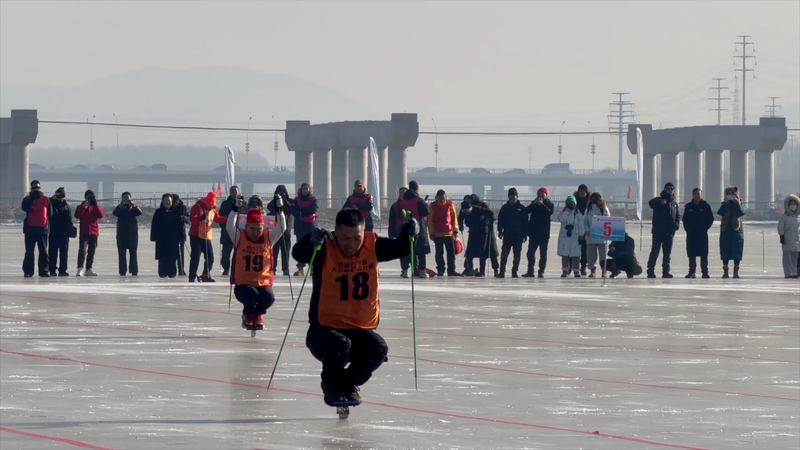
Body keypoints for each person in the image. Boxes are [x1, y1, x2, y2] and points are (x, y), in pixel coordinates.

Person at [293, 209, 416, 406]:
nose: (351, 244)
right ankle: (331, 385)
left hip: (358, 329)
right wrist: (311, 239)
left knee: (378, 349)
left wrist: (410, 232)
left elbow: (401, 247)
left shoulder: (373, 246)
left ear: (364, 233)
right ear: (335, 233)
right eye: (345, 238)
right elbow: (298, 253)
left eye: (356, 238)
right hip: (323, 330)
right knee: (339, 343)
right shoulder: (325, 246)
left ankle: (346, 385)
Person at [226, 194, 287, 328]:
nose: (255, 232)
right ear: (246, 227)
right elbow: (229, 226)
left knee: (268, 298)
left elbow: (282, 228)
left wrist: (280, 211)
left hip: (263, 282)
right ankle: (247, 313)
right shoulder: (239, 237)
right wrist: (234, 209)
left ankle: (257, 314)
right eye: (252, 229)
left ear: (263, 228)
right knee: (251, 295)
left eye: (259, 228)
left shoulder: (269, 237)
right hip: (243, 285)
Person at [188, 192, 227, 282]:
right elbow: (192, 218)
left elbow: (217, 219)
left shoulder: (213, 209)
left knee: (210, 257)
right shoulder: (197, 207)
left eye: (212, 204)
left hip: (206, 235)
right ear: (205, 202)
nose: (210, 206)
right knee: (195, 256)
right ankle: (192, 276)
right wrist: (200, 218)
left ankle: (206, 274)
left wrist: (229, 218)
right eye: (209, 204)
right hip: (196, 235)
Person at [396, 181, 431, 278]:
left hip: (406, 226)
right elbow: (425, 212)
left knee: (406, 249)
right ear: (417, 188)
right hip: (418, 225)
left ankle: (404, 271)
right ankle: (422, 272)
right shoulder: (419, 200)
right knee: (420, 250)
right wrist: (426, 203)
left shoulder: (402, 201)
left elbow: (399, 213)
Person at [646, 182, 680, 279]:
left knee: (667, 254)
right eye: (668, 188)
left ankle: (666, 271)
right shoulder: (659, 200)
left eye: (672, 189)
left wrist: (676, 225)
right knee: (655, 252)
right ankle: (650, 271)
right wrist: (660, 202)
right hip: (658, 232)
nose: (670, 190)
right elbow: (650, 203)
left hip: (669, 233)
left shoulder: (674, 204)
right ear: (665, 189)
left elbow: (677, 216)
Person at [21, 180, 52, 277]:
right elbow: (25, 208)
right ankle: (28, 271)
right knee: (29, 252)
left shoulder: (46, 199)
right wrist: (33, 198)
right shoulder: (27, 199)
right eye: (34, 188)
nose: (36, 190)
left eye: (38, 188)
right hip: (30, 229)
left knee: (43, 251)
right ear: (31, 189)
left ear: (40, 188)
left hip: (42, 229)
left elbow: (50, 213)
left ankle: (44, 271)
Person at [682, 188, 715, 278]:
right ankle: (692, 272)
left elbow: (710, 219)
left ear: (701, 195)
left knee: (704, 254)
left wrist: (705, 228)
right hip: (691, 234)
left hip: (702, 233)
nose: (696, 195)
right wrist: (688, 230)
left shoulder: (706, 206)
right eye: (695, 194)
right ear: (692, 195)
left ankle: (705, 272)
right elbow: (685, 220)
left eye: (698, 194)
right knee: (691, 254)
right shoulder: (689, 207)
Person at [428, 189, 460, 277]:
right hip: (438, 234)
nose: (442, 199)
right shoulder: (433, 206)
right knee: (439, 253)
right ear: (437, 197)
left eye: (443, 198)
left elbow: (454, 219)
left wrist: (456, 231)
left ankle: (451, 270)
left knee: (451, 253)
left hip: (449, 233)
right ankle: (441, 270)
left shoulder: (450, 205)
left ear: (445, 197)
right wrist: (432, 233)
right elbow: (430, 221)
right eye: (440, 198)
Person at [497, 188, 528, 278]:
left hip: (518, 235)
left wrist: (525, 234)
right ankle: (502, 271)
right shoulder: (504, 208)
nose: (511, 198)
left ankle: (514, 272)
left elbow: (525, 222)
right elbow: (500, 220)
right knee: (504, 254)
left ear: (517, 197)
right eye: (510, 196)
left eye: (513, 196)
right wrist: (500, 231)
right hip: (507, 235)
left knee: (517, 255)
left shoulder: (522, 209)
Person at [523, 187, 554, 278]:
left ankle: (541, 271)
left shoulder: (549, 204)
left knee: (543, 254)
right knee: (530, 253)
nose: (540, 196)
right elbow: (526, 211)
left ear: (546, 195)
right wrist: (534, 204)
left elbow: (549, 212)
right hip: (534, 233)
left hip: (544, 233)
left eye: (542, 194)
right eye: (538, 194)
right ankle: (530, 271)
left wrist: (542, 204)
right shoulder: (535, 203)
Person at [151, 193, 182, 278]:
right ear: (162, 201)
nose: (167, 202)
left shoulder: (176, 212)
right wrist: (154, 237)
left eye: (169, 201)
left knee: (172, 258)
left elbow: (180, 226)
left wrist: (181, 237)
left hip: (173, 239)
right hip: (161, 239)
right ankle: (162, 273)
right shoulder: (158, 212)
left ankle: (172, 273)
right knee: (162, 258)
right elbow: (154, 225)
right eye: (165, 200)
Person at [75, 189, 105, 277]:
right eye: (88, 197)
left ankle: (89, 269)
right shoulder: (81, 206)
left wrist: (96, 206)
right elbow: (77, 215)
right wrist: (83, 207)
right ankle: (80, 268)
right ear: (85, 197)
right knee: (82, 251)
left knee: (91, 251)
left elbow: (101, 216)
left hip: (94, 232)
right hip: (84, 232)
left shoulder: (96, 207)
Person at [291, 183, 318, 276]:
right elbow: (294, 211)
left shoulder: (313, 200)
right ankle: (300, 268)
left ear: (309, 190)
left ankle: (313, 268)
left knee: (312, 247)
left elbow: (314, 209)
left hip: (311, 226)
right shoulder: (296, 200)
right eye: (303, 189)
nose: (305, 190)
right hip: (300, 226)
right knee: (301, 247)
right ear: (301, 190)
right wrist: (305, 211)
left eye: (306, 189)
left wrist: (302, 211)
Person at [718, 185, 746, 279]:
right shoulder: (725, 204)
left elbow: (741, 212)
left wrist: (737, 202)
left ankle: (736, 272)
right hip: (726, 230)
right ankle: (725, 271)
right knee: (725, 250)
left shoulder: (739, 203)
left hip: (736, 231)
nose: (731, 196)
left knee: (737, 251)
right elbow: (720, 212)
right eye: (729, 194)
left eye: (733, 194)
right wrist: (726, 203)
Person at [113, 192, 142, 277]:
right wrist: (120, 206)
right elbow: (114, 213)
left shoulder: (133, 208)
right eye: (124, 198)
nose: (126, 200)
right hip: (122, 234)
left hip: (132, 234)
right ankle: (122, 271)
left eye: (128, 198)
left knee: (133, 253)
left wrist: (134, 205)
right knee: (121, 254)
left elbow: (139, 213)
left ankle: (134, 271)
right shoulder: (120, 208)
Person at [267, 185, 294, 276]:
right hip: (276, 230)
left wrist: (284, 201)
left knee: (285, 251)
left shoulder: (290, 201)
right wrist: (276, 199)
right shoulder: (274, 201)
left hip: (287, 231)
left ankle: (285, 269)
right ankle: (273, 268)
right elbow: (269, 207)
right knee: (274, 251)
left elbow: (291, 209)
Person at [583, 192, 610, 278]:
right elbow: (585, 222)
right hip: (590, 236)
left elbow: (608, 220)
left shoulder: (604, 209)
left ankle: (604, 270)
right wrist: (587, 230)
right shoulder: (588, 209)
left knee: (603, 255)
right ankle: (592, 270)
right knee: (591, 255)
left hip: (602, 236)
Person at [557, 195, 584, 278]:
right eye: (568, 203)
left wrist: (581, 236)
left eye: (572, 203)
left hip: (575, 237)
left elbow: (581, 226)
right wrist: (567, 211)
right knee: (565, 254)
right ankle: (565, 271)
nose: (570, 204)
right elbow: (562, 219)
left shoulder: (578, 214)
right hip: (565, 236)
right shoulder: (563, 213)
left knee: (576, 255)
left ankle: (576, 271)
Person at [48, 187, 73, 277]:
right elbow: (46, 204)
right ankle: (52, 270)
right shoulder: (51, 204)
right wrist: (52, 198)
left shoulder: (67, 206)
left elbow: (69, 219)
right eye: (58, 196)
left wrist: (70, 229)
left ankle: (63, 270)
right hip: (53, 231)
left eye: (61, 196)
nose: (60, 198)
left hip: (64, 233)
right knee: (52, 252)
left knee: (64, 253)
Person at [388, 187, 412, 277]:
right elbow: (392, 221)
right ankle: (404, 269)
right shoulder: (395, 206)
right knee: (402, 252)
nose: (402, 194)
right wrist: (391, 234)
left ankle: (415, 269)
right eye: (400, 193)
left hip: (411, 230)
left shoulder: (411, 204)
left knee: (412, 252)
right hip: (399, 231)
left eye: (404, 193)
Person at [218, 185, 240, 276]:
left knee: (238, 252)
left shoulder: (244, 204)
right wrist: (225, 226)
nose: (234, 192)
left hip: (239, 232)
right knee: (226, 252)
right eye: (232, 190)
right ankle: (226, 268)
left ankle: (236, 269)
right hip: (227, 232)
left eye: (235, 190)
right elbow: (220, 217)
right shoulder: (225, 204)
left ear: (238, 192)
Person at [778, 194, 800, 279]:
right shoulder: (784, 217)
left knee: (795, 258)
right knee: (787, 258)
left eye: (795, 204)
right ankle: (788, 273)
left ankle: (794, 272)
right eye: (791, 204)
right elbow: (780, 227)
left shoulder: (798, 217)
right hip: (787, 240)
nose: (793, 206)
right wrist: (782, 236)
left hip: (797, 241)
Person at [574, 184, 592, 275]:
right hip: (575, 228)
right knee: (574, 248)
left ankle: (583, 267)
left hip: (585, 228)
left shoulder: (590, 202)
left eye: (583, 191)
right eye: (580, 191)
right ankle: (571, 267)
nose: (582, 193)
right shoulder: (574, 200)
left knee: (584, 249)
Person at [171, 193, 189, 276]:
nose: (174, 203)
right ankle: (172, 270)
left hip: (180, 233)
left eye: (176, 202)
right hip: (170, 233)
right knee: (171, 252)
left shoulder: (183, 207)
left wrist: (183, 217)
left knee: (181, 253)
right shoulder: (168, 207)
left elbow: (188, 219)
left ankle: (181, 270)